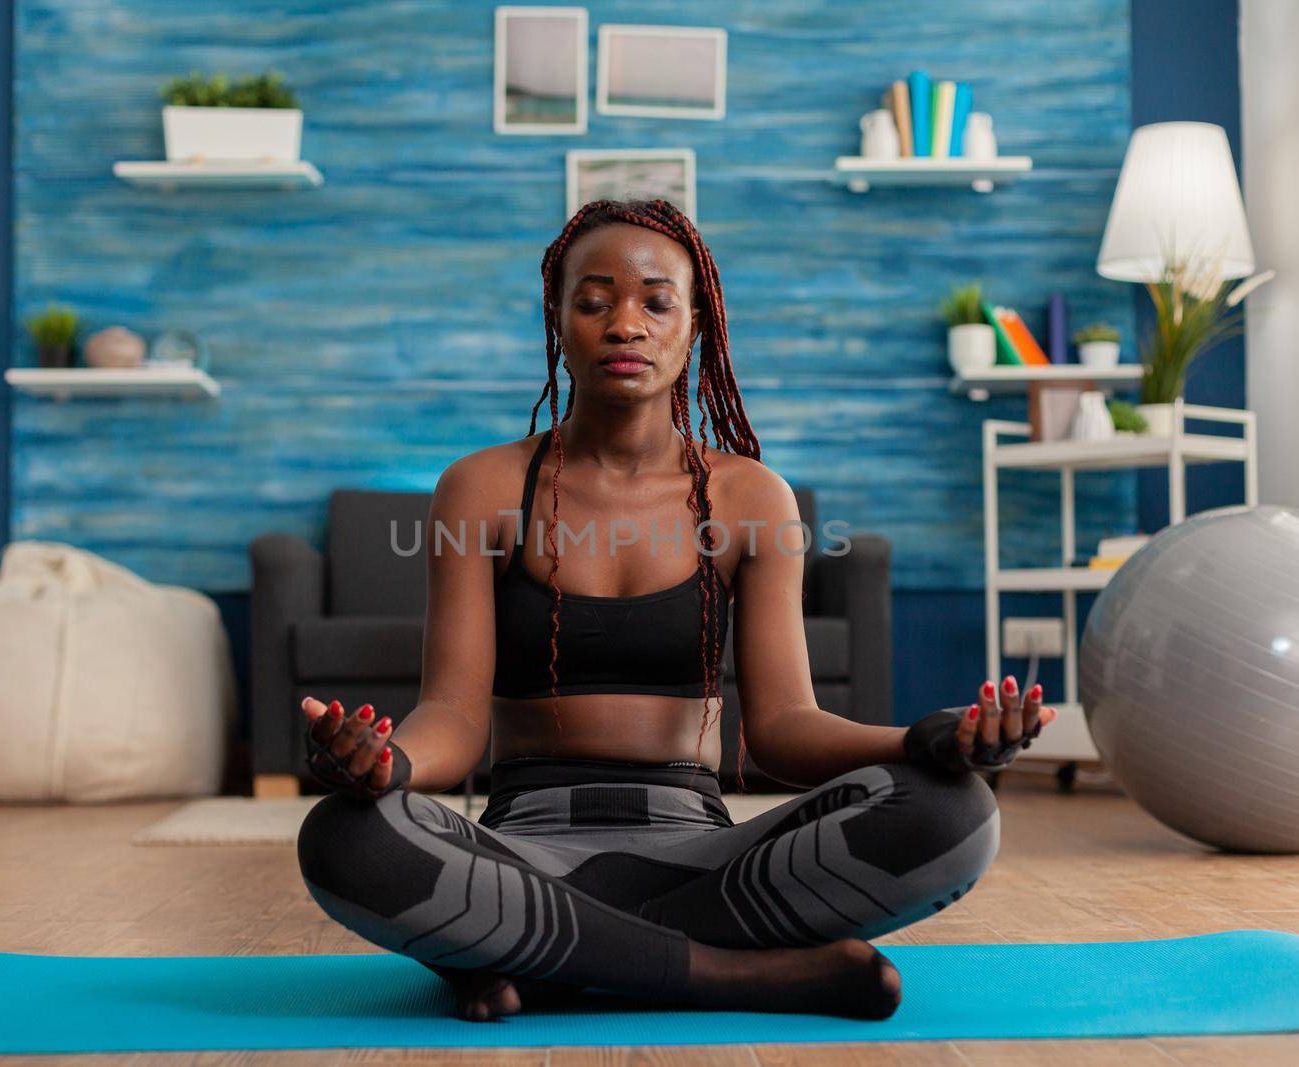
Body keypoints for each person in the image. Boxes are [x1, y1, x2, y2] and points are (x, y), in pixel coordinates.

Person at [295, 197, 1055, 1022]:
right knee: (345, 834)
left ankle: (540, 959)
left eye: (656, 302)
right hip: (521, 847)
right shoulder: (479, 488)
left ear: (695, 325)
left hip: (703, 854)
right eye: (594, 301)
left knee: (955, 811)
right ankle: (743, 976)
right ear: (558, 322)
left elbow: (785, 727)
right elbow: (453, 715)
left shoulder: (751, 497)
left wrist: (928, 740)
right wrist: (388, 767)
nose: (626, 324)